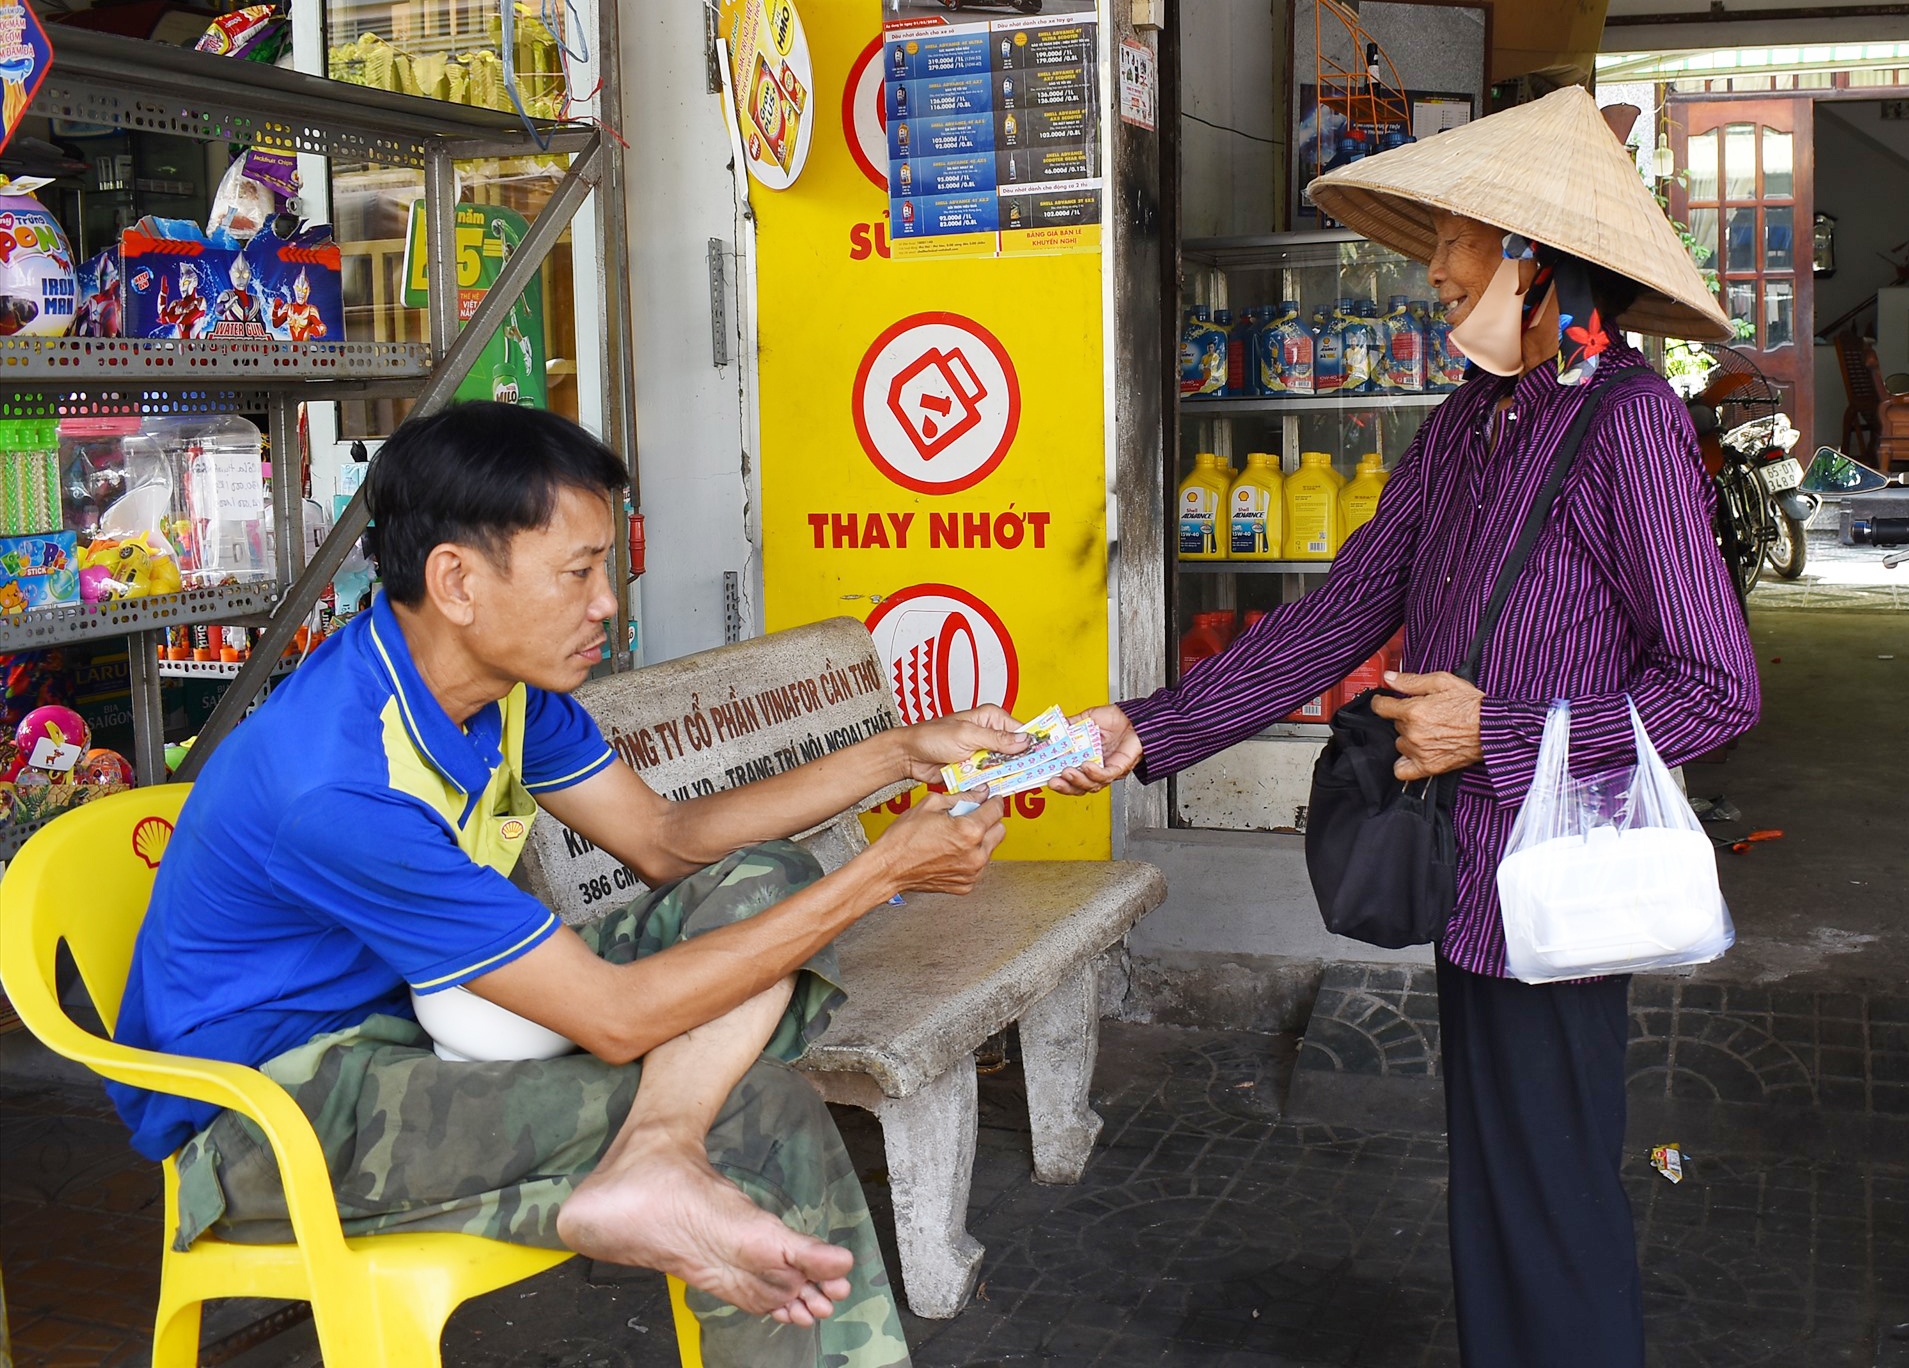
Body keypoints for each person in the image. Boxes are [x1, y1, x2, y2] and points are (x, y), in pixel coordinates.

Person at [1054, 87, 1760, 1367]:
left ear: (1536, 259)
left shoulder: (1629, 422)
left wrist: (1504, 733)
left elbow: (1716, 686)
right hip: (1466, 875)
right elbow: (1337, 617)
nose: (1434, 269)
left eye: (1457, 238)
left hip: (1558, 886)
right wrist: (1146, 731)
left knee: (1552, 1204)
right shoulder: (1466, 427)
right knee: (1496, 1194)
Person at [109, 402, 1030, 1368]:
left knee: (772, 876)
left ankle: (655, 1152)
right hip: (271, 1114)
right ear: (456, 581)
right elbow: (617, 1020)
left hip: (428, 1013)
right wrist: (884, 871)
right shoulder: (337, 783)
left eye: (606, 569)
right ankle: (667, 1154)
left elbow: (664, 841)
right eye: (579, 572)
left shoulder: (499, 691)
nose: (608, 605)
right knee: (755, 1117)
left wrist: (898, 753)